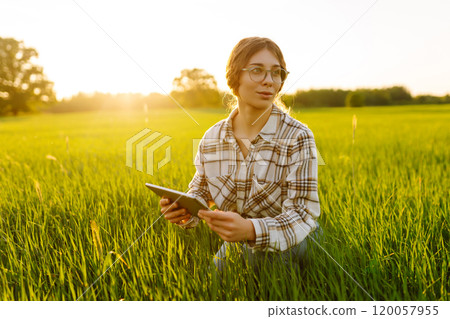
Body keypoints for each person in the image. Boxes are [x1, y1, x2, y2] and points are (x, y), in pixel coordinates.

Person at [160, 36, 322, 275]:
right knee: (213, 284)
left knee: (270, 278)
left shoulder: (298, 136)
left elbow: (302, 214)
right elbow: (201, 191)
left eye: (276, 73)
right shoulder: (212, 137)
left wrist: (250, 230)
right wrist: (183, 209)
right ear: (234, 77)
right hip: (240, 242)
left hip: (296, 239)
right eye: (257, 71)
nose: (269, 81)